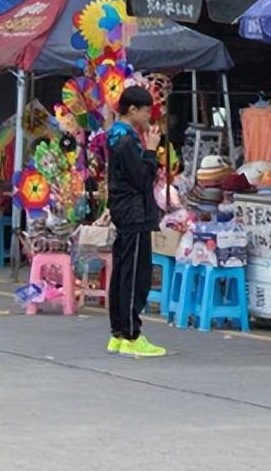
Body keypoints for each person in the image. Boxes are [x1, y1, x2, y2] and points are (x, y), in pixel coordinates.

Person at [106, 86, 165, 358]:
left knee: (122, 273)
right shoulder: (126, 140)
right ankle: (131, 334)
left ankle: (118, 333)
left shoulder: (118, 135)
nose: (148, 116)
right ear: (132, 109)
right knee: (134, 276)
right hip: (134, 212)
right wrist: (151, 152)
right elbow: (142, 180)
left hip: (125, 211)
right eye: (145, 110)